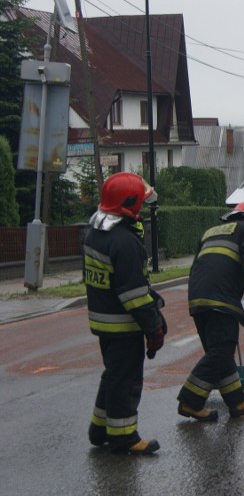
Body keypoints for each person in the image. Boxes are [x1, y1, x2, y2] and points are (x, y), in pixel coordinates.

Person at [84, 172, 165, 455]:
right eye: (140, 202)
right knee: (126, 381)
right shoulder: (125, 241)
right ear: (130, 203)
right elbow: (133, 294)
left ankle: (100, 428)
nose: (142, 208)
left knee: (113, 376)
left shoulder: (96, 233)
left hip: (103, 322)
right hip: (123, 326)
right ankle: (124, 437)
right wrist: (153, 327)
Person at [177, 201, 244, 421]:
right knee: (220, 351)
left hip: (198, 299)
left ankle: (236, 402)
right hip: (221, 299)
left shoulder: (211, 231)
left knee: (222, 353)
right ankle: (190, 401)